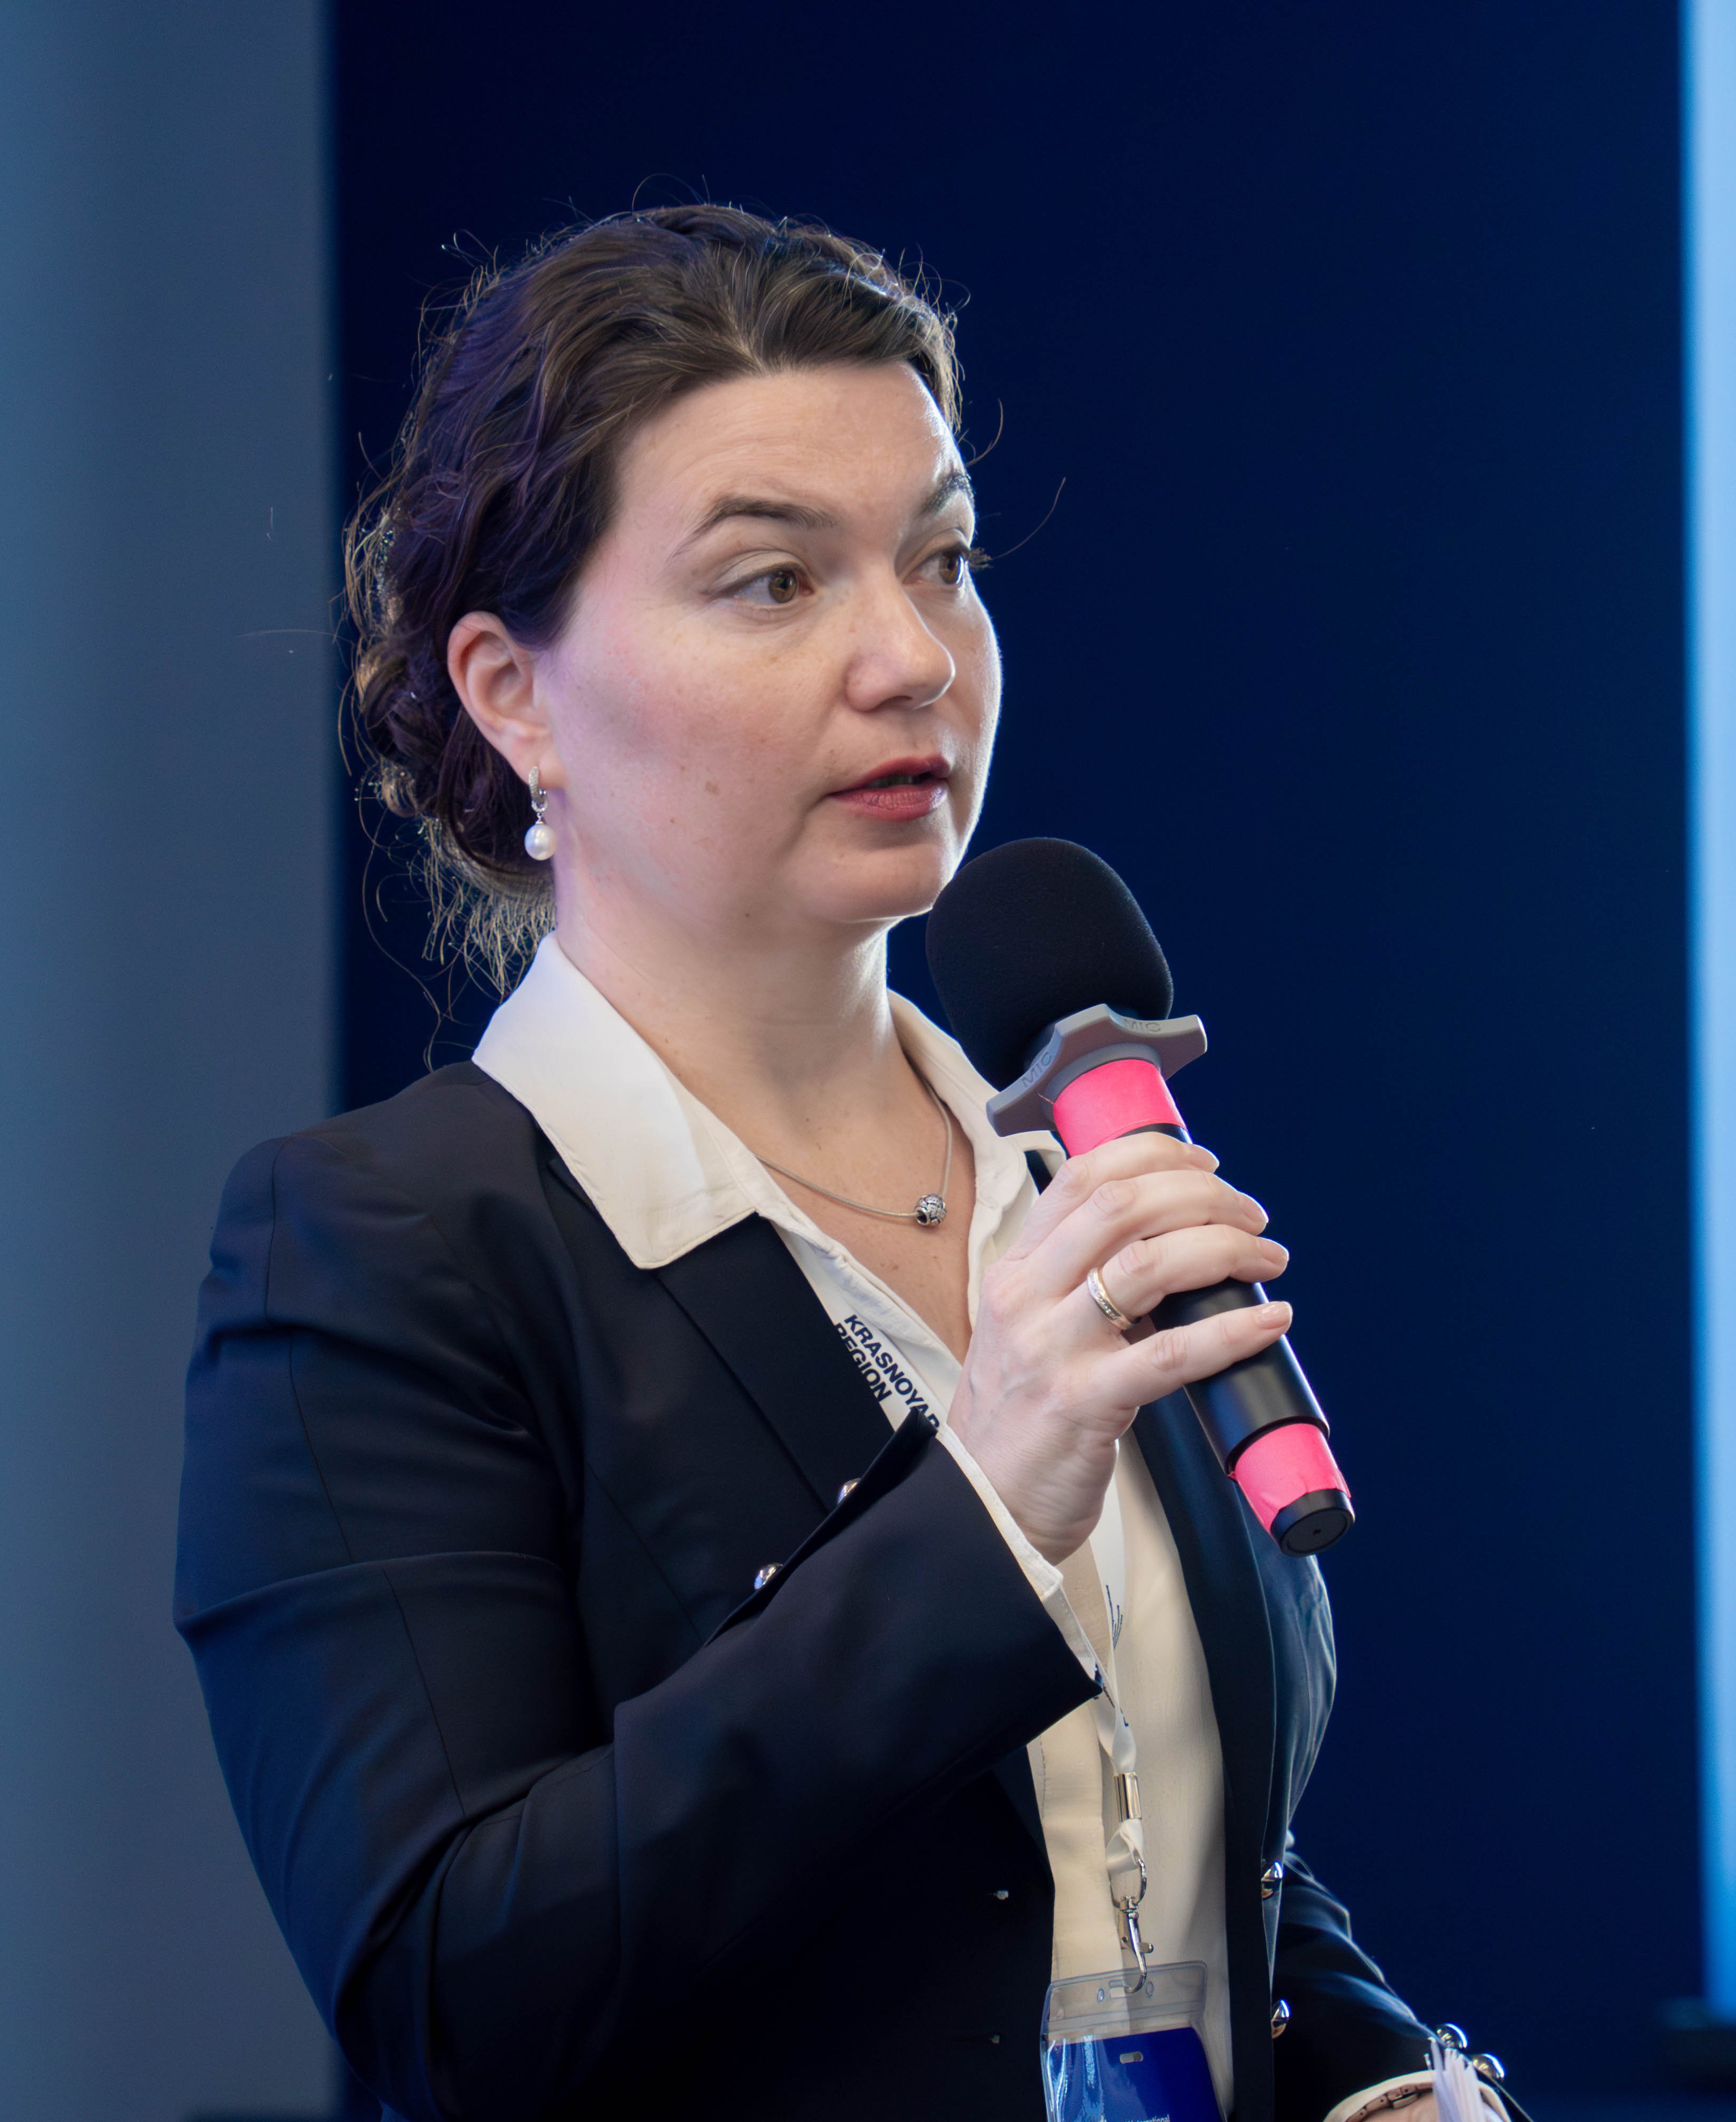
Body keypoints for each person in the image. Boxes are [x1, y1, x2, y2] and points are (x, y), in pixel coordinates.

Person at [178, 203, 1450, 2122]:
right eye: (774, 582)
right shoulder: (378, 1250)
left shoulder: (1071, 1182)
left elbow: (1148, 1825)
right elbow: (451, 1990)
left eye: (942, 561)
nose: (911, 657)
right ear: (514, 693)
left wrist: (1377, 2079)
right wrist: (985, 1509)